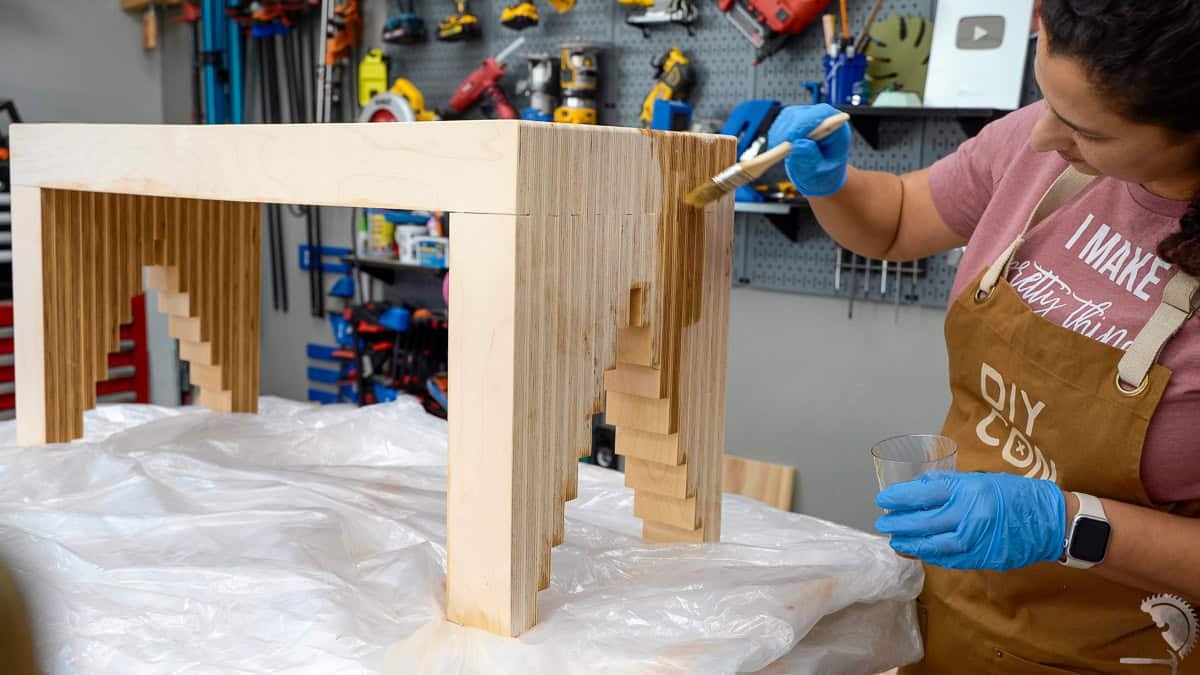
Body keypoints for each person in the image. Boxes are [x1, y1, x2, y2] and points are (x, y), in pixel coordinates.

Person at [767, 1, 1200, 672]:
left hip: (1122, 650)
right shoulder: (1041, 140)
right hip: (952, 617)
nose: (1041, 138)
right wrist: (832, 183)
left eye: (1086, 131)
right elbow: (898, 218)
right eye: (1045, 97)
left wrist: (1066, 524)